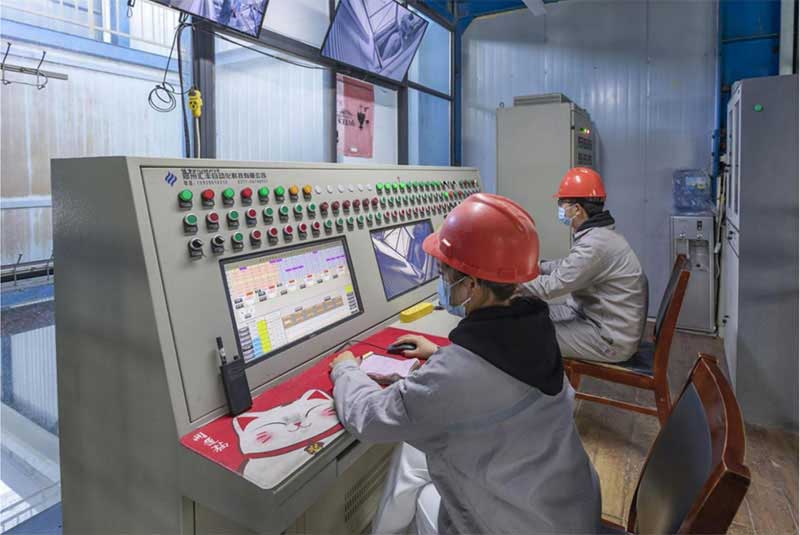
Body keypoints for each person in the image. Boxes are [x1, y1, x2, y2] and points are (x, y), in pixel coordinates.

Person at [329, 194, 601, 535]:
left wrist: (345, 369)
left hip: (520, 526)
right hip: (568, 509)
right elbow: (491, 377)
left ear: (472, 284)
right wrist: (438, 355)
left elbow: (368, 417)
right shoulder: (537, 330)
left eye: (446, 273)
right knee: (413, 456)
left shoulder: (453, 376)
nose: (443, 282)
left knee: (421, 489)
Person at [519, 167, 648, 364]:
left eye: (562, 203)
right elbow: (569, 266)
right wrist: (538, 267)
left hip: (608, 339)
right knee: (532, 312)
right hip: (595, 317)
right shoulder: (600, 235)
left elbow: (550, 288)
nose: (560, 208)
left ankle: (545, 384)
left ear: (577, 209)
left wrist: (508, 282)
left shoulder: (595, 244)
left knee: (527, 334)